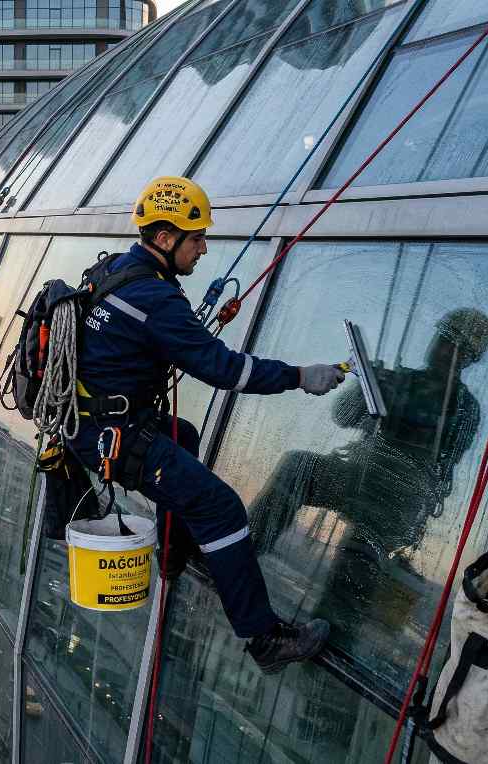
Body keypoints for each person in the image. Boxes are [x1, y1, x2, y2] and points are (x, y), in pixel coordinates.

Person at [65, 176, 345, 674]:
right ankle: (264, 638)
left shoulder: (115, 270)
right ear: (166, 239)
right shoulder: (156, 299)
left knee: (185, 436)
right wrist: (301, 377)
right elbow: (224, 369)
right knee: (220, 507)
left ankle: (174, 552)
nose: (204, 249)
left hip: (92, 421)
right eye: (196, 239)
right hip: (112, 437)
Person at [247, 310, 488, 648]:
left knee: (355, 565)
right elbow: (343, 416)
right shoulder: (405, 380)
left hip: (397, 499)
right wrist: (367, 388)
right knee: (297, 467)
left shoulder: (465, 407)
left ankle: (330, 641)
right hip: (361, 475)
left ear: (467, 358)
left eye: (453, 345)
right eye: (443, 338)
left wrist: (395, 396)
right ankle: (245, 555)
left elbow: (440, 446)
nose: (441, 347)